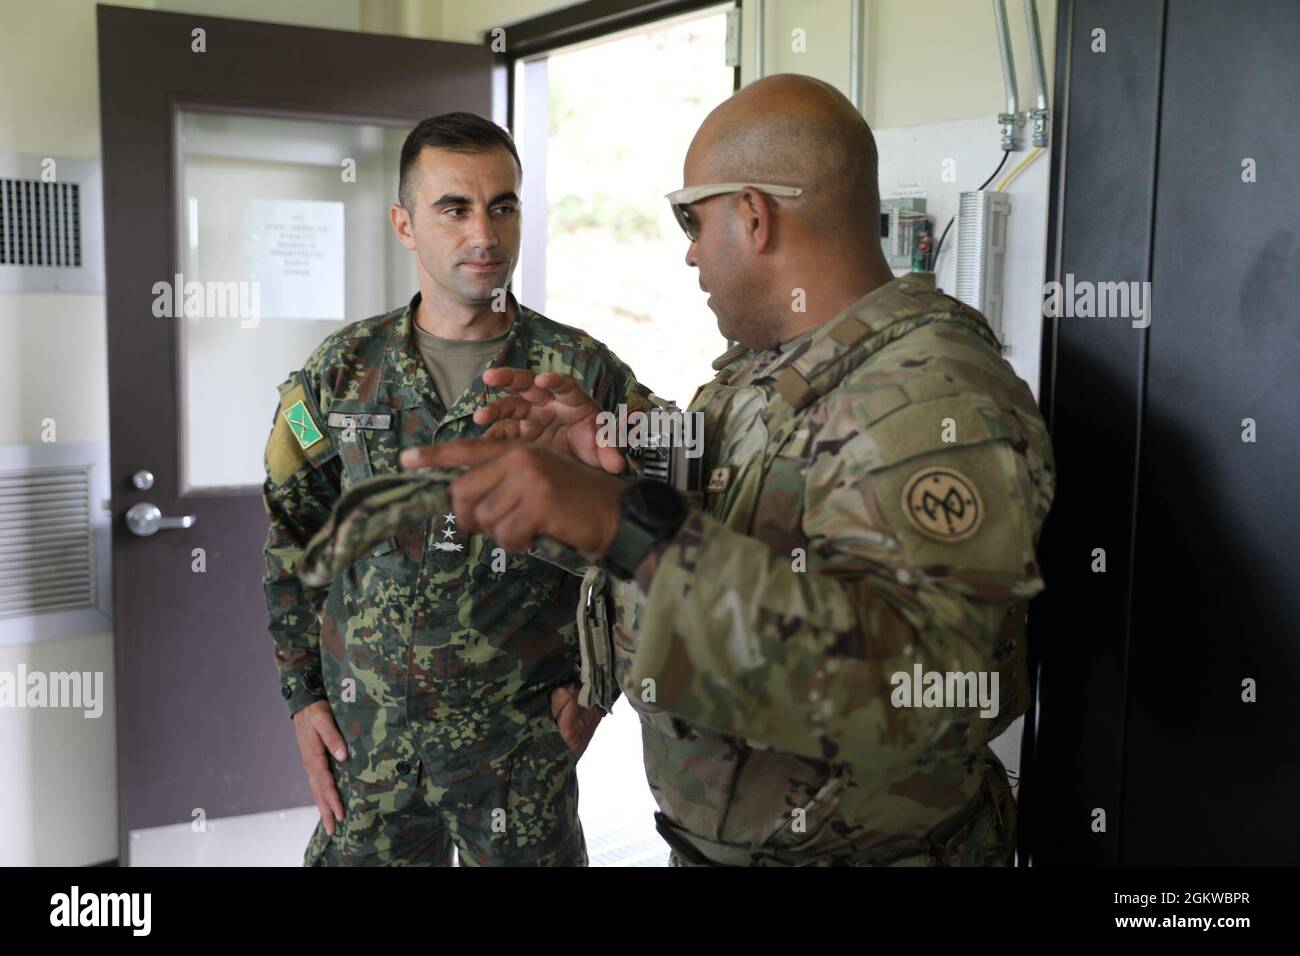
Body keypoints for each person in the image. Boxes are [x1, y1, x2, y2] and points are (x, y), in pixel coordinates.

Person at [400, 75, 1056, 866]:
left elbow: (923, 692)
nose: (688, 250)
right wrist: (609, 448)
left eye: (692, 218)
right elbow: (735, 510)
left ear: (753, 214)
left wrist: (622, 520)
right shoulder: (764, 370)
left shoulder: (926, 394)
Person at [260, 112, 648, 866]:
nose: (485, 234)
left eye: (503, 206)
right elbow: (289, 532)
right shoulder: (342, 370)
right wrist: (302, 697)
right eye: (455, 208)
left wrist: (603, 685)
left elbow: (652, 540)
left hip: (518, 754)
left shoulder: (579, 374)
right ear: (405, 225)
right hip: (369, 754)